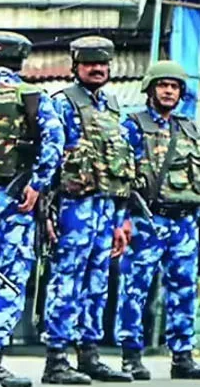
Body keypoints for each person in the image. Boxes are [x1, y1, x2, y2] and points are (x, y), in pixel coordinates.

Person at [0, 31, 62, 387]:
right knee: (9, 276)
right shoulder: (32, 95)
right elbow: (55, 142)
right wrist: (37, 184)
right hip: (15, 199)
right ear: (21, 60)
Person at [44, 35, 135, 384]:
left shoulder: (112, 105)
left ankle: (89, 354)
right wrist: (48, 214)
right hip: (73, 207)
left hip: (105, 208)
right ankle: (56, 359)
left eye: (102, 64)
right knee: (66, 280)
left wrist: (120, 220)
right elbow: (51, 160)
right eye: (89, 64)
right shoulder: (62, 103)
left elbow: (120, 166)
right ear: (76, 67)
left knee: (97, 281)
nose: (97, 69)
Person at [116, 60, 200, 381]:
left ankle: (182, 356)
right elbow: (121, 176)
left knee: (184, 289)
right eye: (163, 85)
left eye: (174, 86)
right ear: (150, 89)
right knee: (135, 290)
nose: (168, 91)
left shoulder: (190, 129)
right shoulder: (133, 126)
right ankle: (130, 356)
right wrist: (123, 218)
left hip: (184, 223)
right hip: (147, 220)